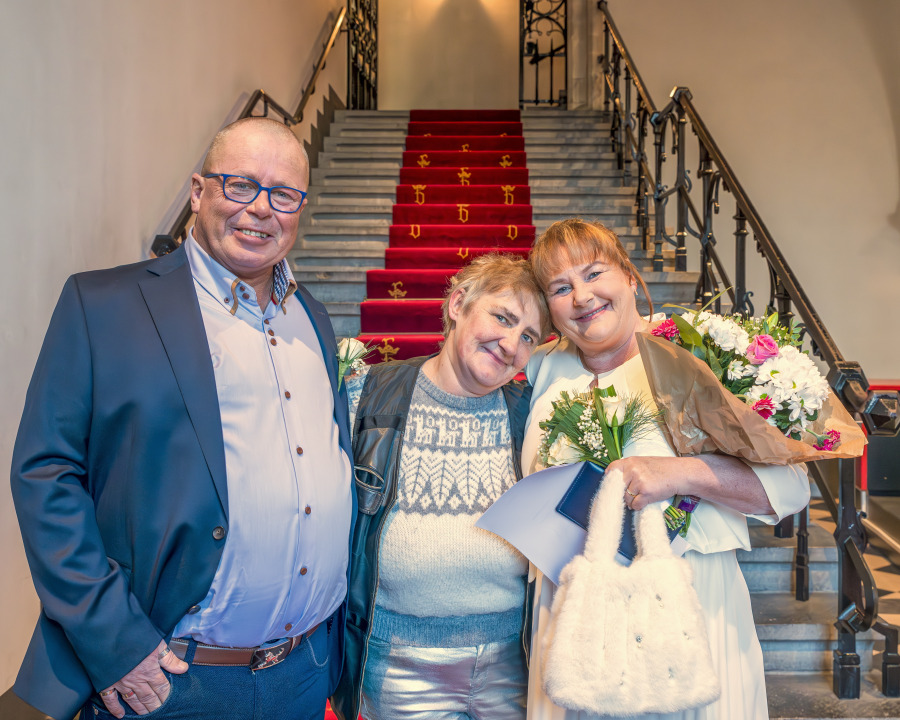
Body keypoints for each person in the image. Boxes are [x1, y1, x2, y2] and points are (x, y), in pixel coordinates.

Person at [10, 117, 354, 720]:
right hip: (169, 679)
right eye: (240, 185)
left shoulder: (314, 319)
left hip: (303, 672)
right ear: (198, 192)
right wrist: (116, 643)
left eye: (284, 194)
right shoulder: (105, 305)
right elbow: (46, 474)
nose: (261, 209)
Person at [521, 219, 810, 720]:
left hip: (690, 603)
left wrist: (681, 473)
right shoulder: (540, 369)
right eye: (561, 288)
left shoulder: (697, 356)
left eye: (594, 274)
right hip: (576, 612)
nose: (582, 297)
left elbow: (790, 490)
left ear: (630, 277)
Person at [330, 254, 553, 720]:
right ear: (457, 304)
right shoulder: (366, 395)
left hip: (514, 663)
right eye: (502, 318)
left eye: (529, 336)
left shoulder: (531, 414)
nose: (511, 344)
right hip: (399, 668)